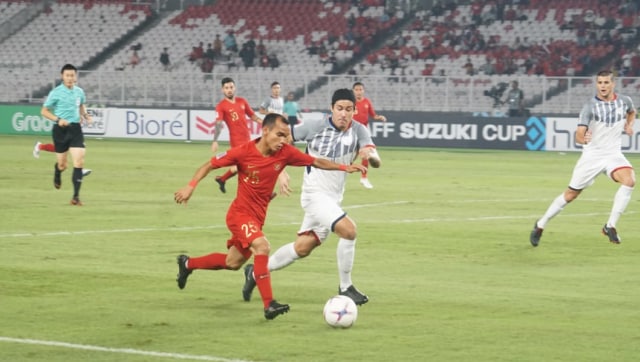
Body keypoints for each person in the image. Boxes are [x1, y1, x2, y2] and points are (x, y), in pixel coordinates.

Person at [174, 113, 366, 320]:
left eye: (286, 136)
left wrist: (344, 167)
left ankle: (187, 264)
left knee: (233, 262)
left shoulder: (284, 153)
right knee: (262, 246)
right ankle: (269, 305)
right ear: (265, 131)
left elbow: (315, 161)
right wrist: (190, 187)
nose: (283, 140)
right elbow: (209, 165)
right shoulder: (243, 152)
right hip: (240, 214)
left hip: (257, 217)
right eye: (279, 135)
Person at [241, 89, 382, 306]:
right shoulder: (315, 126)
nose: (343, 114)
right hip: (314, 195)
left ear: (354, 111)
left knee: (302, 248)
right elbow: (278, 142)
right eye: (339, 108)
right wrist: (281, 171)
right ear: (332, 108)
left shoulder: (359, 130)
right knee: (349, 230)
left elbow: (374, 156)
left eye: (348, 109)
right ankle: (346, 287)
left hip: (333, 199)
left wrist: (370, 156)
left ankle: (255, 272)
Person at [530, 70, 636, 247]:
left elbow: (632, 112)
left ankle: (610, 226)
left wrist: (629, 125)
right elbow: (579, 134)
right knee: (571, 195)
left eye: (606, 82)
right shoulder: (590, 107)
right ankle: (541, 224)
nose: (602, 86)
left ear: (613, 84)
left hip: (613, 154)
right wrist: (583, 139)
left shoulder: (625, 101)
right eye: (600, 82)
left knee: (630, 180)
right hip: (592, 156)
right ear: (597, 84)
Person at [40, 64, 92, 206]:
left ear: (75, 77)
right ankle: (57, 172)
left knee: (79, 162)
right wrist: (58, 120)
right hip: (60, 130)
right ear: (62, 76)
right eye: (67, 75)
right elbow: (44, 111)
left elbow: (81, 105)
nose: (70, 78)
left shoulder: (79, 92)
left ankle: (75, 197)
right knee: (63, 165)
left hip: (75, 129)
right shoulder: (56, 92)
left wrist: (86, 115)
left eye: (72, 75)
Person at [211, 77, 262, 194]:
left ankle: (222, 179)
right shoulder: (221, 106)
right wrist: (215, 140)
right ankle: (257, 191)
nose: (229, 90)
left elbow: (252, 115)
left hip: (247, 140)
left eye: (231, 87)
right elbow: (218, 124)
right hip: (237, 141)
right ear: (222, 90)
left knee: (240, 167)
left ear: (235, 88)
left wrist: (263, 122)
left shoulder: (242, 101)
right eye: (226, 88)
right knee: (253, 164)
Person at [352, 82, 386, 189]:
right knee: (351, 157)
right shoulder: (350, 103)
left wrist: (379, 117)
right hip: (351, 132)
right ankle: (337, 173)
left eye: (360, 89)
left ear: (363, 91)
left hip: (364, 133)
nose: (358, 91)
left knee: (366, 152)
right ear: (353, 91)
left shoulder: (367, 102)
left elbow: (373, 115)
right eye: (356, 89)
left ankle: (364, 177)